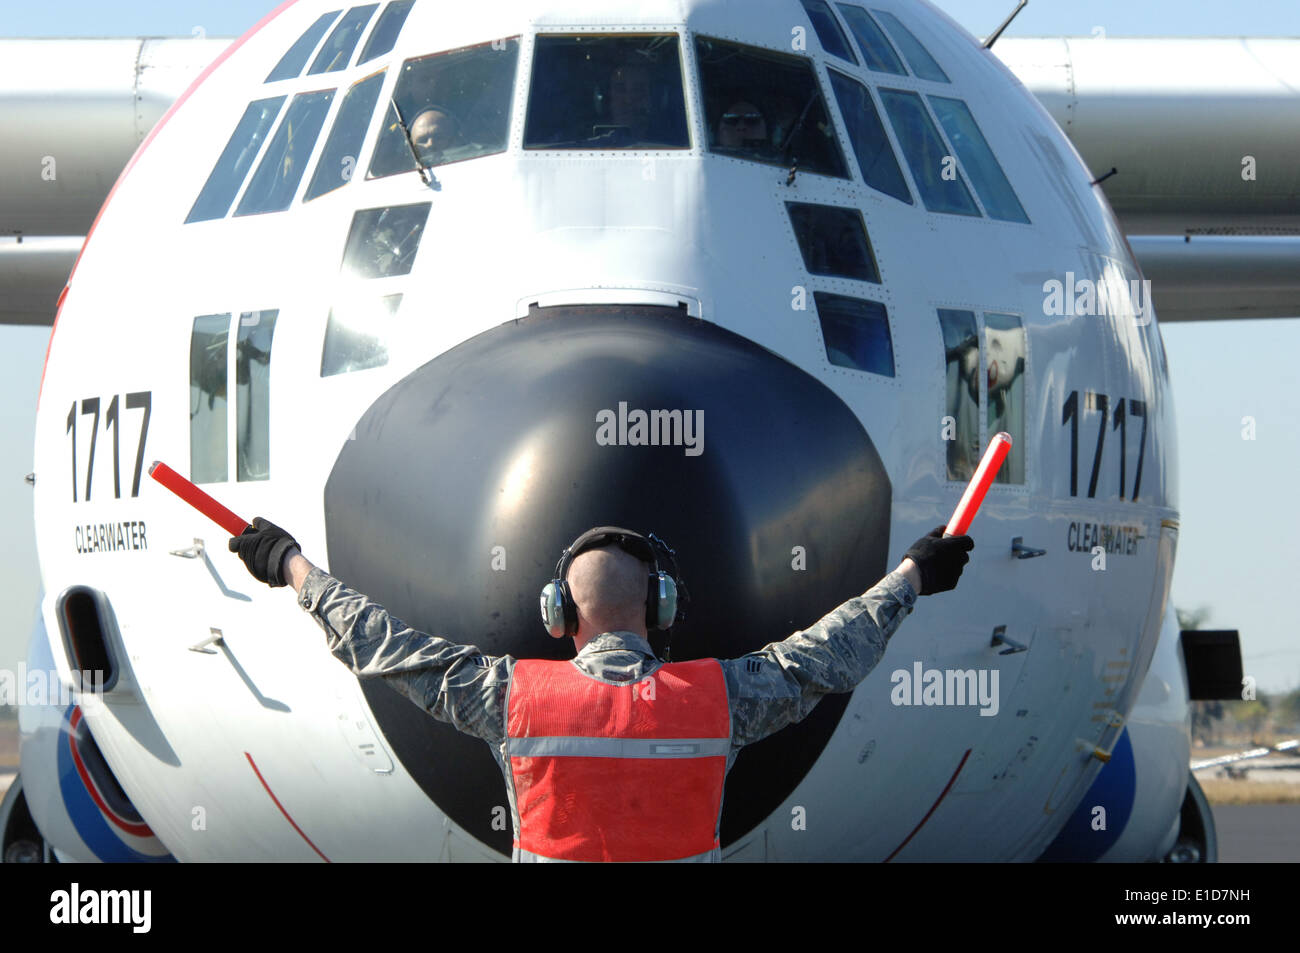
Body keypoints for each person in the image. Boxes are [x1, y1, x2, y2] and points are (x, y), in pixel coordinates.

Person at [229, 519, 974, 862]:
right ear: (660, 611)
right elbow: (828, 655)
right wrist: (914, 576)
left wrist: (292, 563)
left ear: (559, 614)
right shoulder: (719, 699)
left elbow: (384, 644)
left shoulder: (511, 699)